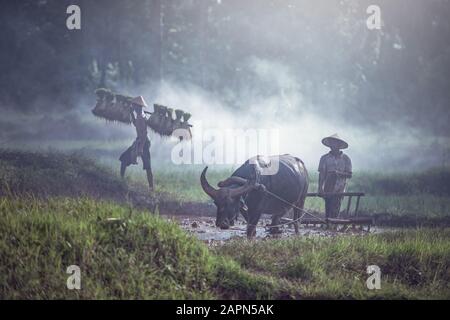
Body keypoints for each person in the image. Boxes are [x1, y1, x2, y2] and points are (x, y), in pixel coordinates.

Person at [119, 96, 154, 191]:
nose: (132, 107)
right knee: (124, 159)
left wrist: (141, 148)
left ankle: (151, 188)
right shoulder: (139, 115)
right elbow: (135, 124)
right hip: (141, 141)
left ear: (138, 106)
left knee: (147, 165)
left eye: (133, 105)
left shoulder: (142, 117)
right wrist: (131, 113)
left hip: (143, 142)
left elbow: (144, 134)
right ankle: (121, 181)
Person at [318, 134, 352, 218]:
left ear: (339, 145)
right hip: (328, 188)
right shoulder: (324, 158)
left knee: (335, 208)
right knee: (328, 208)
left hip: (339, 188)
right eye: (331, 143)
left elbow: (349, 174)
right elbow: (321, 174)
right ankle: (329, 226)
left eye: (335, 143)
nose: (332, 145)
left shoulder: (345, 159)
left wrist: (338, 173)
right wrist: (320, 188)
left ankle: (333, 226)